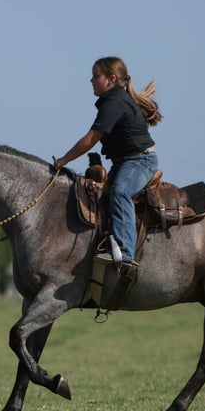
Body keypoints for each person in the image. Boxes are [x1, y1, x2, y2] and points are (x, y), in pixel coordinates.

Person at [54, 56, 162, 269]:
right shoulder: (113, 100)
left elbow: (91, 139)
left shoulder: (114, 102)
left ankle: (126, 253)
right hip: (123, 162)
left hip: (140, 161)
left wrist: (64, 160)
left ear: (111, 79)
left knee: (120, 192)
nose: (91, 80)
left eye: (96, 76)